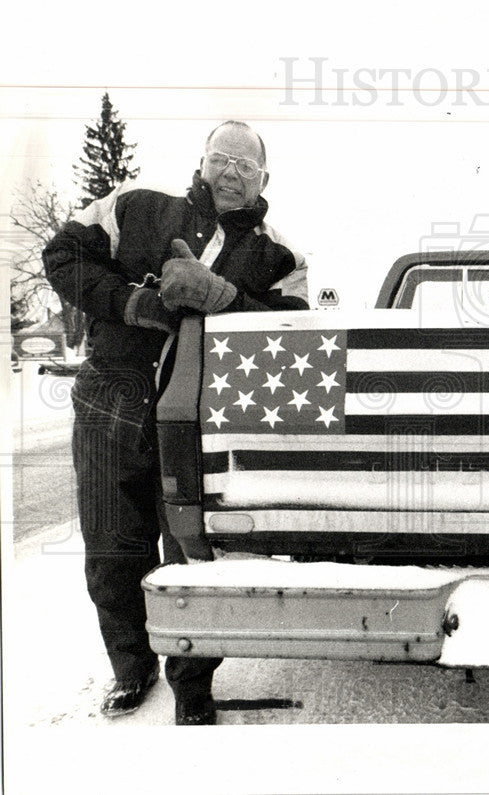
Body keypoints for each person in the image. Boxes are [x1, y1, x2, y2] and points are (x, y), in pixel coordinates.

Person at [43, 120, 310, 725]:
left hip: (198, 414)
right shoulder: (136, 207)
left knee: (193, 550)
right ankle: (129, 666)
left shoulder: (282, 255)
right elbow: (61, 253)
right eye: (223, 160)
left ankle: (191, 682)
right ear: (203, 162)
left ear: (265, 179)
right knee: (112, 545)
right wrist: (129, 302)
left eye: (247, 167)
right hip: (112, 394)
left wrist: (225, 299)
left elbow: (289, 332)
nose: (232, 174)